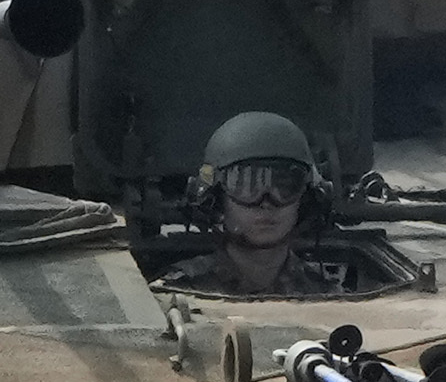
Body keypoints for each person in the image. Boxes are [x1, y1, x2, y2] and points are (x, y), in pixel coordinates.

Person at [147, 108, 417, 298]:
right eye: (246, 186)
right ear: (215, 200)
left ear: (308, 198)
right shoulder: (178, 291)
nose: (267, 203)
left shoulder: (327, 294)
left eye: (285, 186)